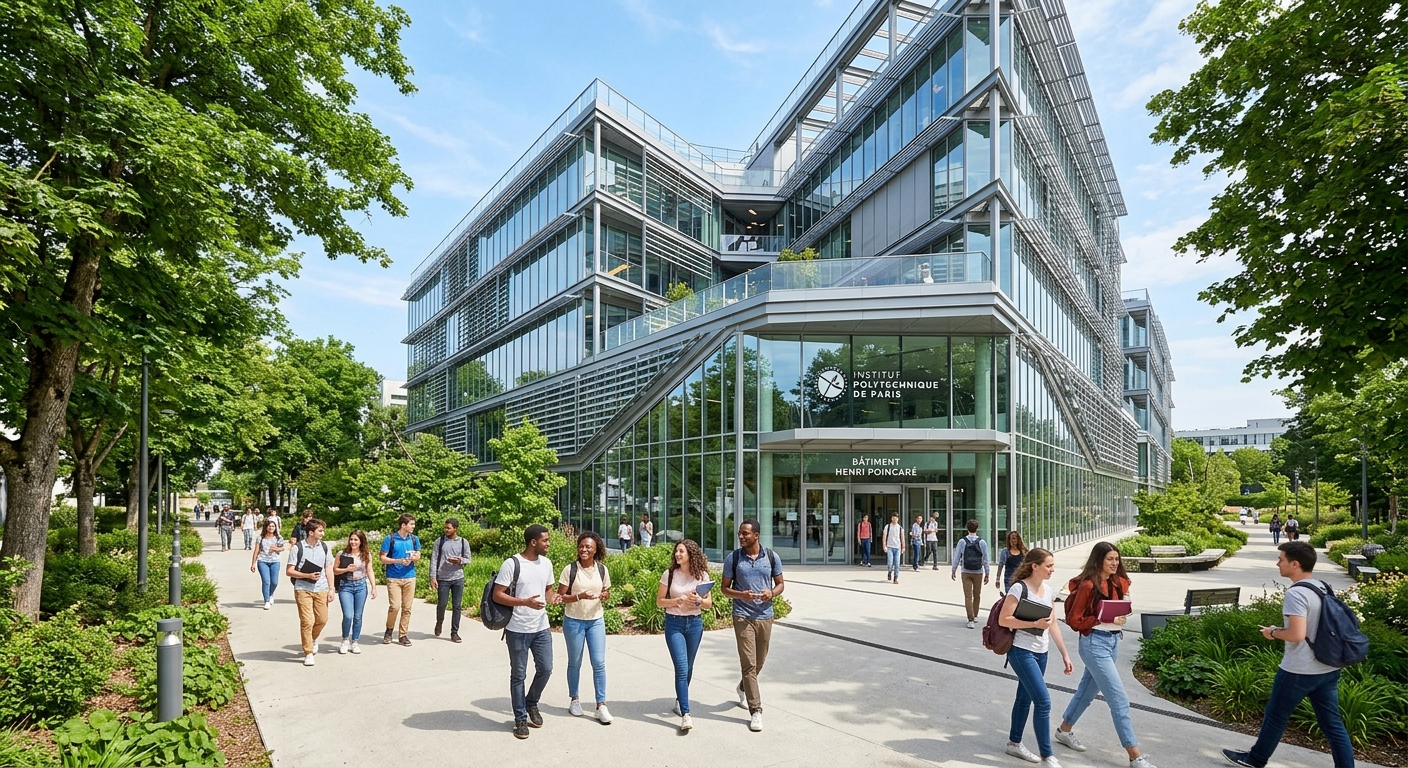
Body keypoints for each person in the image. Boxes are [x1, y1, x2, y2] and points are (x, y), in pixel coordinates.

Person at [1223, 542, 1355, 768]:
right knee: (1333, 725)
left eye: (1281, 559)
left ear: (1295, 564)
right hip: (1328, 667)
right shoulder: (1322, 587)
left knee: (1276, 717)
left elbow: (1296, 634)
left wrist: (1272, 632)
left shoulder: (1296, 593)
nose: (1277, 563)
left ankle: (1256, 759)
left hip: (1299, 670)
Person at [1055, 543, 1156, 768]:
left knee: (1087, 692)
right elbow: (1074, 620)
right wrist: (1102, 619)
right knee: (1119, 699)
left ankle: (1064, 730)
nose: (1114, 563)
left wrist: (1121, 611)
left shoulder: (1116, 582)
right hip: (1094, 644)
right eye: (1110, 559)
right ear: (1099, 559)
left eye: (1117, 559)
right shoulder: (1088, 585)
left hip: (1112, 642)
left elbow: (1125, 606)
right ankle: (1135, 756)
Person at [1000, 547, 1073, 768]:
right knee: (1043, 702)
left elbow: (1053, 625)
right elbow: (1005, 619)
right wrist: (1033, 623)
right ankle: (1047, 756)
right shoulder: (1018, 588)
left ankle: (1014, 744)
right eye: (1048, 566)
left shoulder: (1049, 591)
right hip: (1021, 651)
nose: (1052, 569)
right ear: (1035, 566)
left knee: (1024, 698)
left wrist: (1065, 654)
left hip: (1042, 652)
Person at [493, 525, 563, 740]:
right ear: (533, 542)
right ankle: (520, 718)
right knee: (519, 675)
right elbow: (498, 594)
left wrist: (554, 598)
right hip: (517, 629)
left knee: (546, 668)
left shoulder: (547, 563)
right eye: (545, 540)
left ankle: (531, 703)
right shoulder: (512, 564)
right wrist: (524, 602)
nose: (548, 543)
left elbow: (548, 590)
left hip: (541, 627)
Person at [721, 519, 785, 733]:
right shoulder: (734, 558)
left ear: (756, 535)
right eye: (740, 533)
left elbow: (780, 584)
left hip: (765, 615)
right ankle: (755, 710)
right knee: (748, 664)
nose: (741, 537)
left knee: (759, 662)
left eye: (745, 533)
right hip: (742, 615)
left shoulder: (771, 557)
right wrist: (742, 595)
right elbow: (724, 589)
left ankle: (742, 687)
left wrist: (771, 593)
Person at [556, 531, 613, 725]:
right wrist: (579, 596)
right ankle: (575, 700)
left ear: (596, 549)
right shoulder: (570, 569)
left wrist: (605, 596)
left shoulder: (602, 570)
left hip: (596, 620)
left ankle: (601, 705)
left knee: (599, 662)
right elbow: (559, 597)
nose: (584, 549)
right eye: (581, 546)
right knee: (575, 662)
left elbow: (606, 592)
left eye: (589, 547)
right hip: (574, 620)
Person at [658, 539, 712, 732]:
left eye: (681, 551)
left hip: (695, 625)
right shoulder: (669, 574)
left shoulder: (702, 575)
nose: (677, 555)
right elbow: (659, 602)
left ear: (691, 554)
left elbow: (708, 604)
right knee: (681, 668)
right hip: (674, 624)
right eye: (676, 552)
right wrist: (677, 600)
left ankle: (680, 700)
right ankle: (686, 714)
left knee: (688, 667)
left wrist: (699, 600)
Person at [285, 518, 334, 667]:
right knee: (307, 621)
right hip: (302, 589)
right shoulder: (297, 548)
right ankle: (308, 652)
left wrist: (332, 588)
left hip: (322, 589)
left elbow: (328, 568)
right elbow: (289, 571)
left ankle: (313, 638)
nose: (323, 533)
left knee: (322, 619)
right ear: (311, 532)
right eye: (320, 531)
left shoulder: (325, 547)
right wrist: (307, 575)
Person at [332, 530, 377, 655]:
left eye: (356, 540)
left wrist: (374, 587)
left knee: (358, 616)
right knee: (348, 615)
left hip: (361, 586)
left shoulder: (366, 554)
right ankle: (345, 640)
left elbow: (369, 570)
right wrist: (346, 569)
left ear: (361, 541)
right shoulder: (342, 554)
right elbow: (335, 570)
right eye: (351, 539)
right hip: (346, 585)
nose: (353, 542)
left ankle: (355, 641)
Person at [379, 514, 421, 646]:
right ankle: (389, 631)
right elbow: (382, 558)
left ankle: (403, 635)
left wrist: (414, 558)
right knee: (395, 606)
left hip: (410, 577)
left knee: (407, 608)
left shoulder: (414, 539)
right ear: (403, 525)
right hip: (393, 577)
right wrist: (398, 561)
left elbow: (418, 554)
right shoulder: (390, 539)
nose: (413, 526)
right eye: (411, 524)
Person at [430, 518, 472, 642]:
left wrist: (459, 561)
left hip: (458, 578)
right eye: (445, 528)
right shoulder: (440, 541)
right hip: (442, 578)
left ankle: (454, 632)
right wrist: (433, 577)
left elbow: (468, 559)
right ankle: (439, 622)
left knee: (457, 606)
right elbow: (433, 559)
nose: (446, 530)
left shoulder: (463, 542)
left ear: (455, 528)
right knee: (442, 604)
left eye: (448, 528)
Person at [951, 520, 991, 629]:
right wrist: (987, 573)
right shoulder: (982, 542)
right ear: (977, 529)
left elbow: (957, 556)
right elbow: (986, 559)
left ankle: (970, 619)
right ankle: (976, 615)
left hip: (966, 571)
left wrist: (953, 570)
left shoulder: (962, 541)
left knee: (968, 596)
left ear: (967, 528)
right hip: (978, 572)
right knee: (977, 595)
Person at [250, 519, 285, 609]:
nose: (271, 528)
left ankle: (270, 594)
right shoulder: (260, 538)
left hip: (275, 561)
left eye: (273, 526)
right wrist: (253, 564)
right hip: (263, 561)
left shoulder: (278, 538)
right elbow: (256, 551)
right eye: (269, 526)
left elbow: (282, 548)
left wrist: (275, 549)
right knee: (266, 582)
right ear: (266, 527)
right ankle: (267, 601)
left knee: (274, 582)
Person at [883, 514, 905, 584]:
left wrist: (903, 547)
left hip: (897, 547)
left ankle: (895, 578)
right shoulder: (887, 526)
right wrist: (884, 546)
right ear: (891, 518)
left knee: (897, 564)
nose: (895, 519)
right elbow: (884, 537)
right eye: (894, 518)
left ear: (898, 519)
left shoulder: (900, 528)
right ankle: (889, 572)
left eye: (896, 518)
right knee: (890, 563)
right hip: (890, 547)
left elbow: (902, 538)